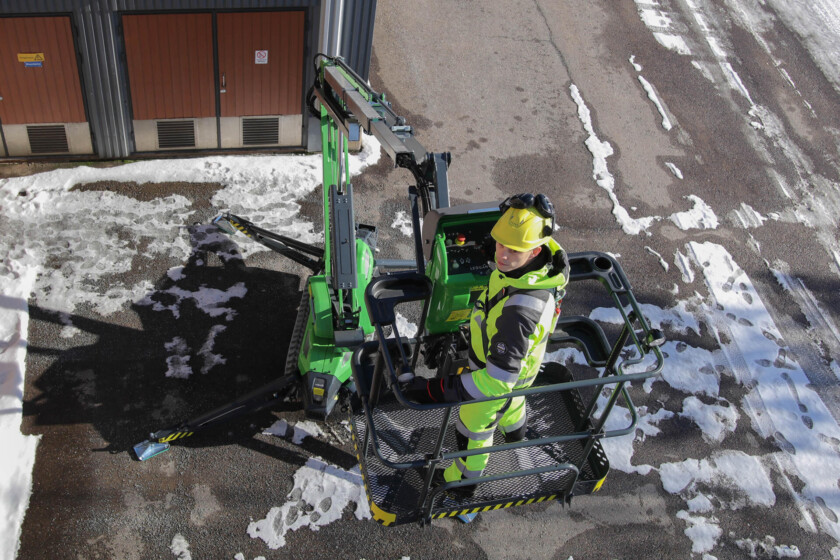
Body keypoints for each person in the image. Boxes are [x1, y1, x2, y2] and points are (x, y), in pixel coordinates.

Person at [403, 192, 570, 505]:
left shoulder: (522, 311)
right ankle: (515, 435)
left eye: (513, 250)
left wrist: (435, 389)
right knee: (513, 402)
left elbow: (495, 383)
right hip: (520, 372)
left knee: (473, 426)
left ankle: (461, 483)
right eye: (500, 244)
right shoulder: (539, 266)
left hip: (496, 376)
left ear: (534, 250)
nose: (503, 256)